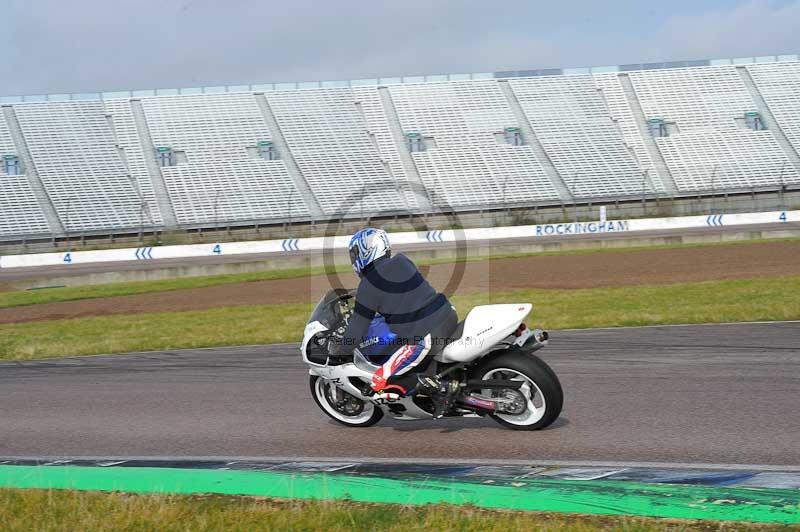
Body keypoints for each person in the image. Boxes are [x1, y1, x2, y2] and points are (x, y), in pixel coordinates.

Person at [330, 227, 458, 402]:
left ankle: (440, 389)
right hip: (448, 314)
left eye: (355, 253)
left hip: (426, 335)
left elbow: (357, 329)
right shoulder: (402, 261)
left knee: (380, 381)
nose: (354, 258)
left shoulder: (368, 286)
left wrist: (340, 351)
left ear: (366, 250)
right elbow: (401, 296)